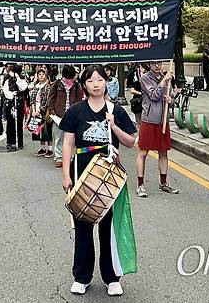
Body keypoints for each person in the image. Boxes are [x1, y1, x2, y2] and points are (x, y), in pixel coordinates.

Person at [60, 65, 137, 296]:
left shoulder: (116, 110)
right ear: (84, 85)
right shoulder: (75, 111)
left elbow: (130, 141)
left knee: (108, 227)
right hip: (82, 171)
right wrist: (66, 175)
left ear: (106, 82)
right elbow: (67, 143)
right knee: (83, 225)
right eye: (91, 80)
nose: (96, 84)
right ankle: (81, 277)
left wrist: (113, 125)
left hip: (109, 175)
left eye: (100, 79)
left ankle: (112, 278)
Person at [135, 62, 179, 197]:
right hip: (149, 120)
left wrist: (170, 100)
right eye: (153, 64)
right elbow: (153, 95)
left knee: (163, 152)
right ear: (149, 65)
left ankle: (163, 183)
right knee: (143, 152)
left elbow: (171, 98)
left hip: (163, 120)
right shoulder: (145, 78)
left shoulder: (166, 77)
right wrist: (164, 81)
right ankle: (140, 185)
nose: (156, 66)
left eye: (158, 63)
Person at [48, 64, 84, 168]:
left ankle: (70, 157)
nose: (69, 80)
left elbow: (79, 99)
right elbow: (51, 98)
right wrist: (52, 111)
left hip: (72, 114)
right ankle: (59, 158)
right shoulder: (57, 84)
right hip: (58, 115)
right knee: (59, 137)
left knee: (71, 138)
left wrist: (78, 112)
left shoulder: (76, 86)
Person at [2, 64, 28, 152]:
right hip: (10, 103)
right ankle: (10, 142)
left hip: (19, 103)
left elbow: (23, 88)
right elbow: (6, 92)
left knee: (19, 123)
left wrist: (18, 79)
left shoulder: (22, 80)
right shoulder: (7, 81)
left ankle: (20, 142)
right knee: (10, 122)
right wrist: (12, 94)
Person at [28, 67, 52, 157]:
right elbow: (32, 99)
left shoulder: (48, 86)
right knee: (38, 130)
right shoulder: (36, 86)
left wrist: (40, 110)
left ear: (46, 76)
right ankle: (42, 148)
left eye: (43, 74)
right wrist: (33, 110)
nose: (41, 76)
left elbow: (48, 100)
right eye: (39, 75)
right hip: (35, 110)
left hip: (45, 111)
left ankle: (50, 149)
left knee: (47, 130)